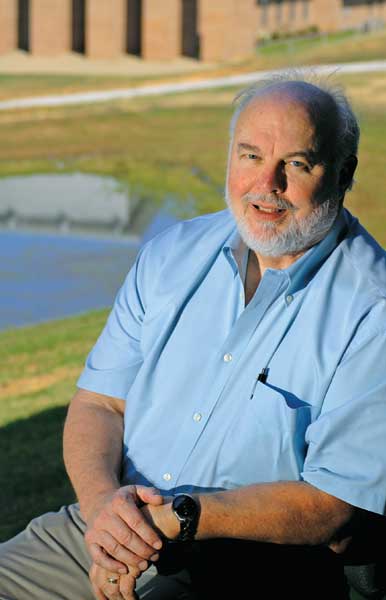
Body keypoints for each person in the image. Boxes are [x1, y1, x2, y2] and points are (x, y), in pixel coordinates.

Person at [1, 71, 386, 600]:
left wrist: (175, 521)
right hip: (110, 522)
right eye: (250, 155)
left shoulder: (372, 309)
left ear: (343, 173)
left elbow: (336, 506)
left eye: (296, 164)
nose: (266, 184)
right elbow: (99, 405)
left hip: (250, 564)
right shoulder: (170, 254)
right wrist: (104, 515)